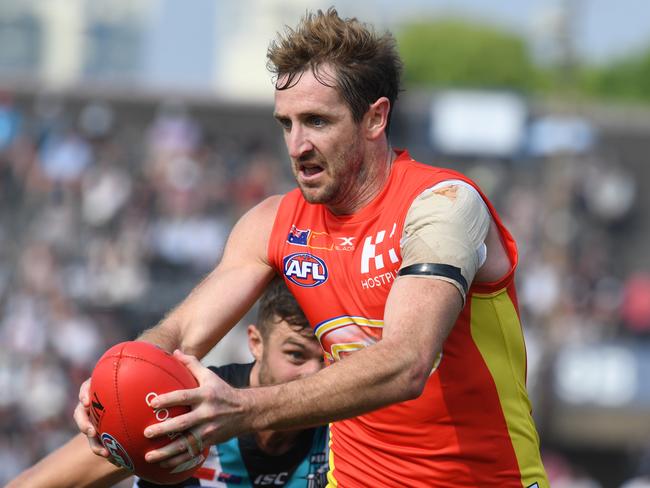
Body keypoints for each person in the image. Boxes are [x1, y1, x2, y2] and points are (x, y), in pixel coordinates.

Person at [75, 8, 549, 488]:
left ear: (375, 119)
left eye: (317, 121)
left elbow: (407, 363)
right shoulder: (271, 223)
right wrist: (112, 389)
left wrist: (244, 409)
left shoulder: (443, 204)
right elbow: (176, 336)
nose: (297, 145)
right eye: (287, 123)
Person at [8, 278, 328, 488]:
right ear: (256, 343)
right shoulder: (181, 406)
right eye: (296, 356)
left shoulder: (348, 415)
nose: (315, 373)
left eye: (328, 357)